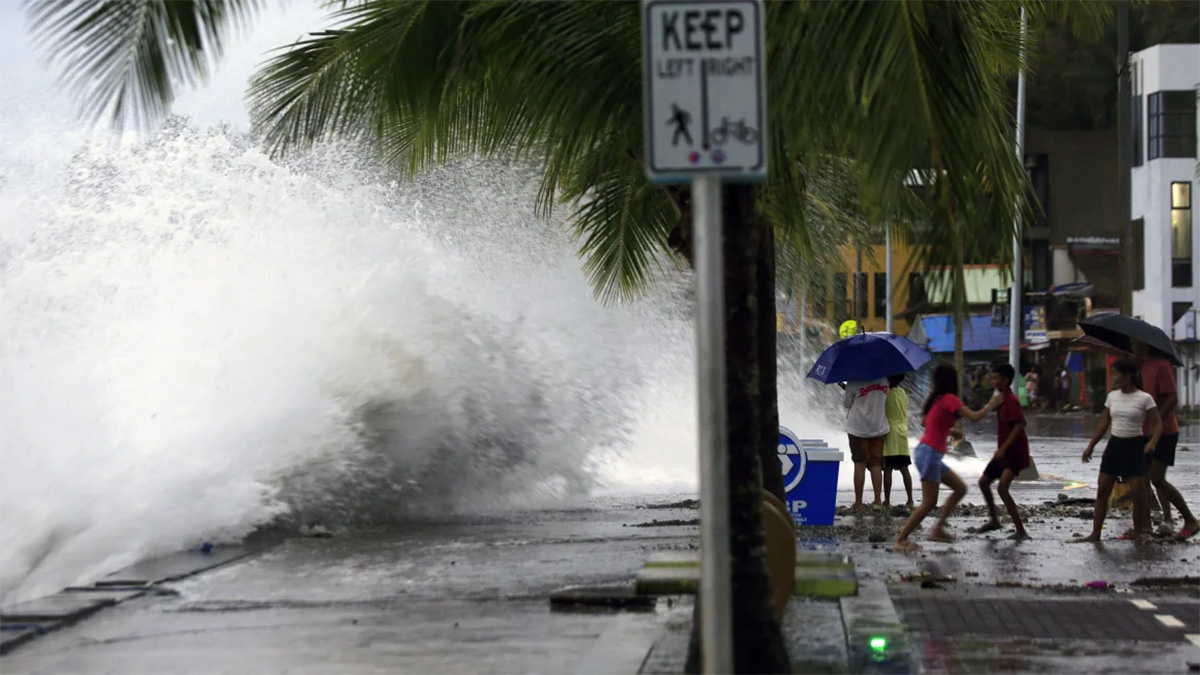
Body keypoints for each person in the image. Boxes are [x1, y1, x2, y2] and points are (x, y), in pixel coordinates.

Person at [894, 364, 997, 551]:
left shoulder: (935, 399)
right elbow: (974, 417)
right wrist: (992, 403)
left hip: (925, 452)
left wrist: (948, 431)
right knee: (929, 502)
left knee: (960, 488)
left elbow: (926, 422)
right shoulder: (950, 399)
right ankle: (900, 540)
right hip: (930, 454)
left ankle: (938, 528)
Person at [1073, 358, 1162, 544]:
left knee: (1138, 493)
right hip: (1115, 446)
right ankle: (1095, 533)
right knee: (1102, 491)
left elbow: (1157, 423)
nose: (1113, 378)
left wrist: (1153, 442)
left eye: (1116, 374)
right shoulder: (1112, 396)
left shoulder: (1144, 398)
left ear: (1128, 377)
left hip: (1135, 446)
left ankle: (1138, 532)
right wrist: (1091, 446)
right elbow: (1104, 422)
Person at [1133, 340, 1199, 540]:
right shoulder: (1141, 366)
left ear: (1144, 344)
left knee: (1156, 477)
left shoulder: (1162, 365)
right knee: (1142, 479)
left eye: (1134, 343)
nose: (1132, 346)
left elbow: (1172, 398)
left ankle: (1189, 519)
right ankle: (1144, 527)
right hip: (1143, 431)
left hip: (1165, 432)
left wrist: (1157, 419)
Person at [976, 363, 1031, 540]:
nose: (992, 381)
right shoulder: (1001, 399)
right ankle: (994, 520)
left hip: (1014, 453)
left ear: (1005, 380)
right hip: (1003, 452)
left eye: (995, 378)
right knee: (984, 482)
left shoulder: (1012, 401)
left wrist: (1004, 448)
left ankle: (1021, 530)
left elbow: (1019, 425)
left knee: (1002, 488)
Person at [843, 376, 890, 512]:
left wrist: (847, 390)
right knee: (876, 464)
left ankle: (858, 503)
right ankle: (878, 501)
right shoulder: (884, 380)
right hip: (878, 427)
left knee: (860, 463)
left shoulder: (853, 380)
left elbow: (847, 404)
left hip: (858, 428)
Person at [882, 373, 913, 509]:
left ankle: (887, 500)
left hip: (890, 433)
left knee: (888, 469)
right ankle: (910, 500)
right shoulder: (902, 393)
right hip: (902, 432)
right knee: (904, 468)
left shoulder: (885, 394)